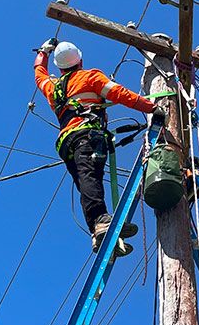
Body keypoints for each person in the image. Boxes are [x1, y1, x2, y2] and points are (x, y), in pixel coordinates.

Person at [34, 38, 159, 253]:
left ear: (60, 67)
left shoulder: (53, 87)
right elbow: (120, 94)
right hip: (86, 134)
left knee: (85, 181)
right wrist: (151, 107)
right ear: (79, 60)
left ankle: (97, 232)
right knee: (89, 177)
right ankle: (101, 221)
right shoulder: (90, 77)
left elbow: (39, 74)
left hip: (66, 142)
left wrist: (43, 52)